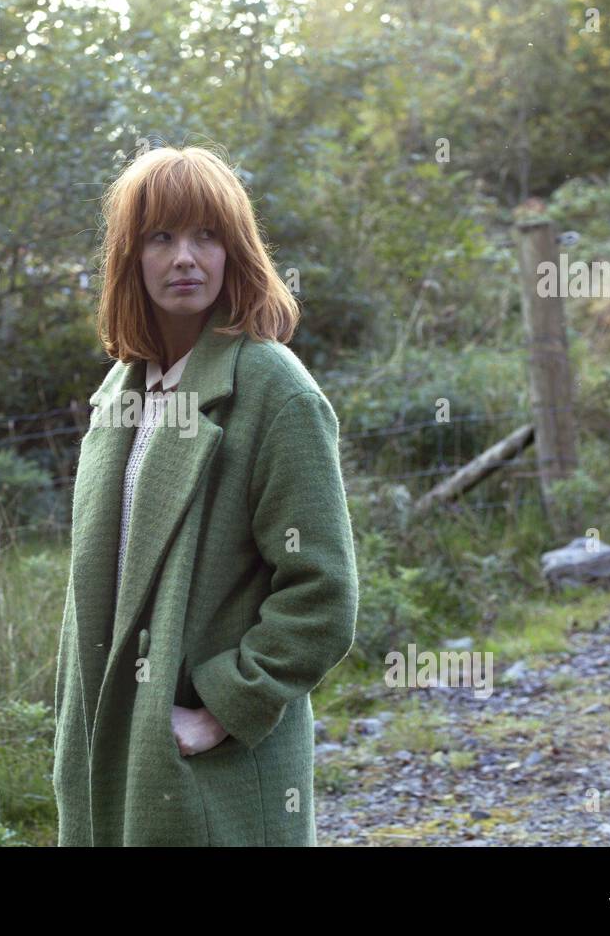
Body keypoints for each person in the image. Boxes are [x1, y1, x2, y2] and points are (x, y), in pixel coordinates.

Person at [53, 144, 359, 846]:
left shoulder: (274, 388)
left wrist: (219, 708)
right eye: (160, 236)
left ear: (234, 252)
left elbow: (321, 594)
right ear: (131, 256)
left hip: (210, 769)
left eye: (205, 235)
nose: (184, 257)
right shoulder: (120, 391)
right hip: (109, 764)